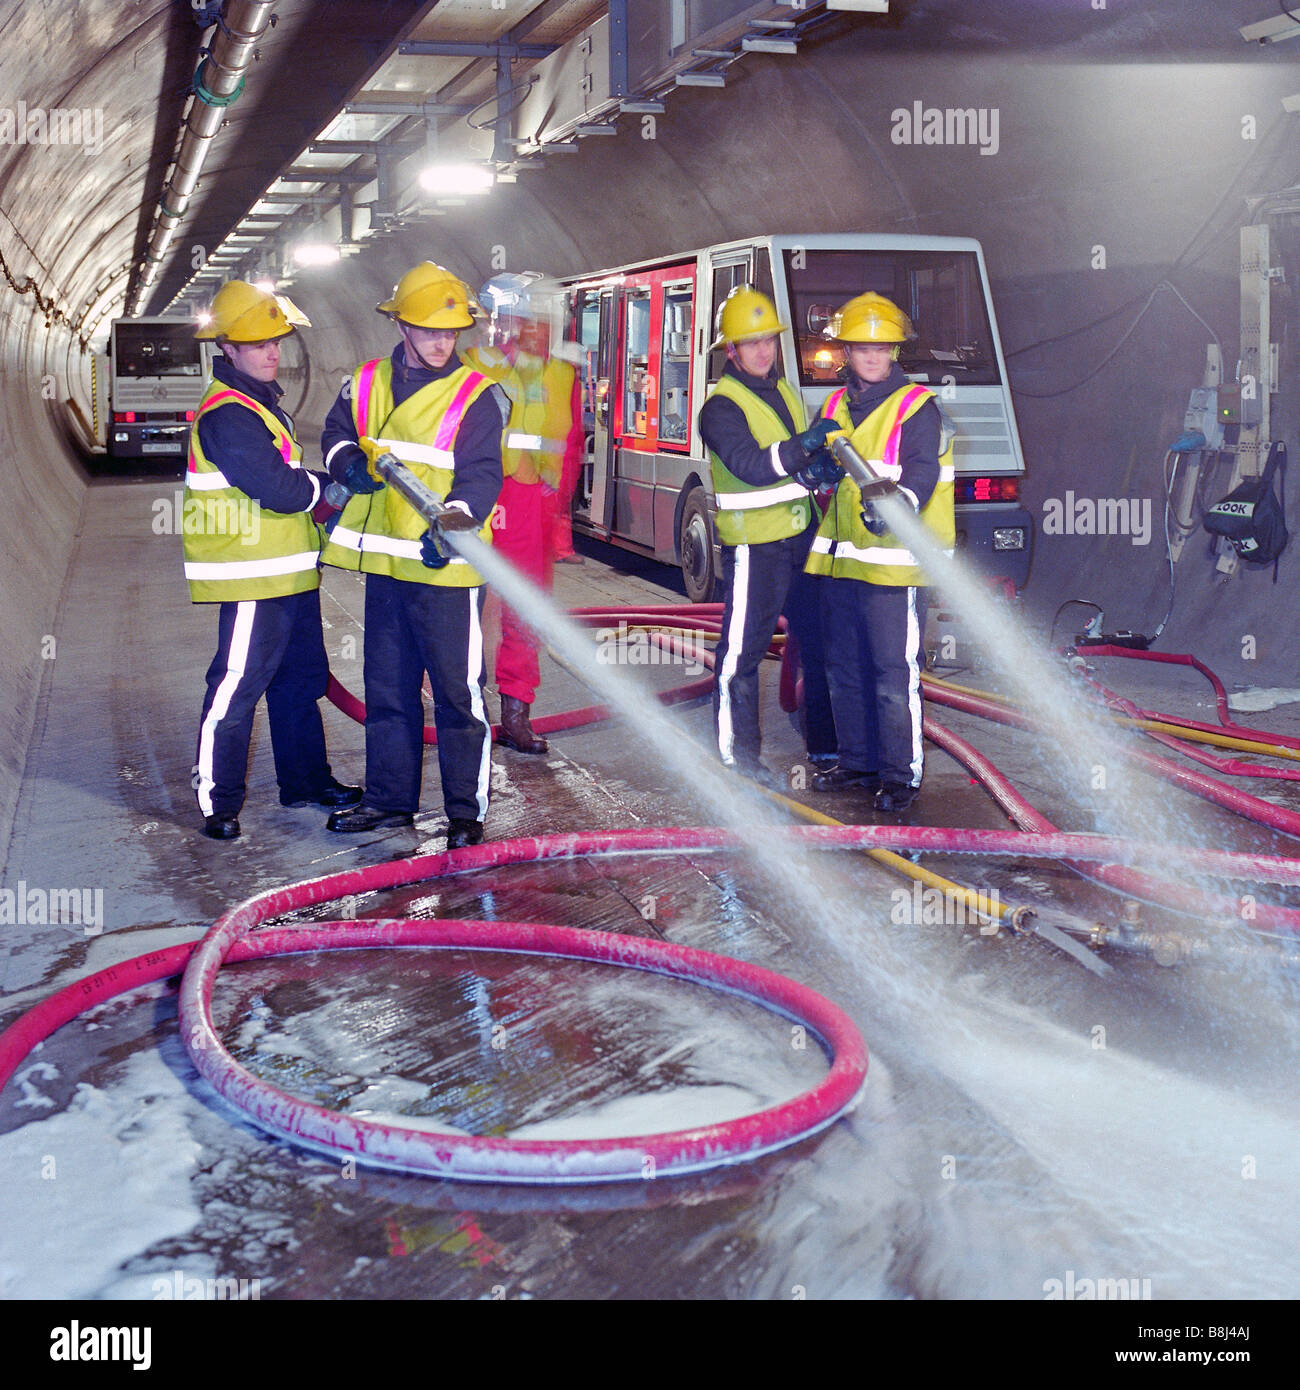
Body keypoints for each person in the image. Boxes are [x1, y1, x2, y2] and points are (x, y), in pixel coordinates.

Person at [318, 262, 505, 849]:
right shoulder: (366, 381)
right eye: (428, 330)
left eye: (450, 332)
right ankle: (389, 803)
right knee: (389, 689)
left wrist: (457, 520)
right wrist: (345, 461)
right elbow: (336, 434)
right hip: (388, 567)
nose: (441, 342)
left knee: (458, 693)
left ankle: (465, 814)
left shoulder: (476, 394)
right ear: (401, 325)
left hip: (447, 566)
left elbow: (481, 474)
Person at [186, 280, 360, 841]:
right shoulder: (227, 415)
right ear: (228, 350)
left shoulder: (261, 405)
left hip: (289, 575)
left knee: (299, 683)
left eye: (277, 342)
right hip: (251, 580)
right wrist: (326, 487)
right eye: (258, 343)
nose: (271, 352)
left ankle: (306, 783)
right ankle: (218, 804)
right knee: (236, 688)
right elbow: (277, 488)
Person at [804, 291, 955, 814]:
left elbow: (922, 472)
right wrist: (814, 472)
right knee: (844, 665)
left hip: (896, 561)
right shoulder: (833, 406)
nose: (872, 356)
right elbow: (830, 474)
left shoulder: (916, 406)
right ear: (846, 351)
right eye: (861, 347)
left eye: (882, 348)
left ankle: (899, 776)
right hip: (845, 558)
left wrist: (899, 505)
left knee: (894, 671)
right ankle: (857, 762)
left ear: (894, 352)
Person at [697, 286, 839, 783]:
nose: (763, 350)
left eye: (769, 341)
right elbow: (754, 466)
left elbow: (791, 468)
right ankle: (737, 760)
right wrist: (804, 447)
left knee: (820, 642)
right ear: (730, 350)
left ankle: (825, 750)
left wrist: (819, 468)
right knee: (742, 654)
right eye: (751, 342)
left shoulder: (782, 392)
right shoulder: (719, 408)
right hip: (757, 547)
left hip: (801, 537)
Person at [462, 273, 582, 754]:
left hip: (532, 502)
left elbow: (568, 444)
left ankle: (515, 712)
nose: (536, 328)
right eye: (525, 318)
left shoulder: (562, 373)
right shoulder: (471, 366)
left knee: (526, 609)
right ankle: (467, 704)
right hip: (480, 497)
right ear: (501, 320)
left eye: (544, 318)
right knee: (465, 607)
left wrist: (557, 510)